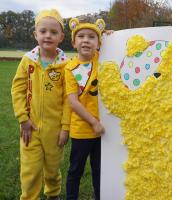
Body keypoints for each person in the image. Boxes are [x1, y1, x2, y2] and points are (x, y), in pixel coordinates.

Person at [11, 9, 70, 200]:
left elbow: (70, 98)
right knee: (30, 171)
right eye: (43, 31)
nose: (48, 36)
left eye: (54, 32)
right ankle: (29, 196)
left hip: (55, 131)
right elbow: (17, 90)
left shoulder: (66, 65)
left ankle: (53, 194)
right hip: (31, 128)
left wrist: (65, 127)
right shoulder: (27, 61)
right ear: (35, 34)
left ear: (61, 37)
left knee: (52, 169)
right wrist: (23, 119)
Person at [64, 16, 106, 200]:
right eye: (81, 36)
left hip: (104, 130)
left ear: (98, 43)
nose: (86, 40)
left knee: (100, 171)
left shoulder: (103, 58)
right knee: (76, 169)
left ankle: (100, 196)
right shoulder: (70, 68)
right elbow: (73, 102)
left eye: (91, 36)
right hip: (82, 130)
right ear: (74, 42)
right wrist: (93, 122)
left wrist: (112, 38)